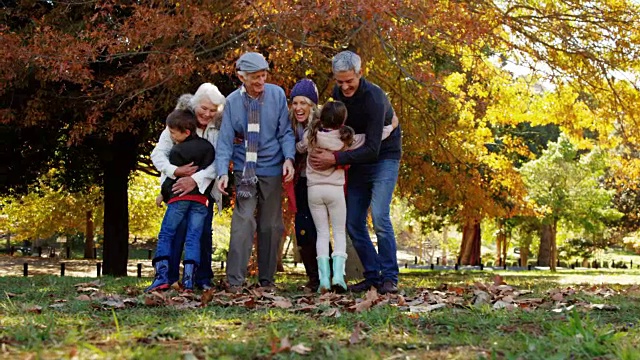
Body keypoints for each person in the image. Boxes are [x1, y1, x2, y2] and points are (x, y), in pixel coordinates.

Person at [309, 50, 402, 294]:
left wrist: (335, 158)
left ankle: (389, 277)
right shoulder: (337, 95)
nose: (345, 86)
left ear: (360, 73)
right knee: (353, 222)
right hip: (356, 158)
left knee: (380, 216)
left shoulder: (375, 98)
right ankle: (372, 276)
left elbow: (372, 148)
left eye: (349, 80)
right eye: (340, 81)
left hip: (383, 156)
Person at [215, 52, 296, 293]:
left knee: (271, 225)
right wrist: (222, 172)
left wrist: (289, 158)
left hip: (272, 166)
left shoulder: (277, 94)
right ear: (242, 77)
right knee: (243, 220)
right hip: (244, 169)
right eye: (255, 77)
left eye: (263, 76)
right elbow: (225, 141)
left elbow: (285, 132)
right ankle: (235, 280)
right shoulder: (232, 102)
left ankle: (267, 280)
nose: (260, 81)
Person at [297, 101, 397, 292]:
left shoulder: (311, 135)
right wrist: (391, 126)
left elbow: (300, 147)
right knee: (339, 232)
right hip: (335, 191)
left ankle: (324, 279)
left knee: (322, 233)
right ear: (343, 120)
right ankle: (339, 278)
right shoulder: (346, 139)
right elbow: (370, 139)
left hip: (314, 191)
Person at [151, 83, 225, 290]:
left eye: (212, 110)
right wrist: (176, 172)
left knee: (202, 233)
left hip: (204, 190)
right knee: (176, 231)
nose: (208, 114)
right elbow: (158, 154)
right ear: (195, 105)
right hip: (177, 188)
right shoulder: (179, 122)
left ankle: (201, 279)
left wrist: (195, 179)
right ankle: (169, 277)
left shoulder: (219, 128)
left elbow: (218, 160)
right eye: (204, 108)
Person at [286, 79, 321, 292]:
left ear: (312, 105)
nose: (298, 108)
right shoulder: (291, 125)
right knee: (302, 228)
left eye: (303, 103)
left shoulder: (321, 124)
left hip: (320, 181)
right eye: (295, 103)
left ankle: (327, 276)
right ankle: (313, 277)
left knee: (318, 229)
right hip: (301, 181)